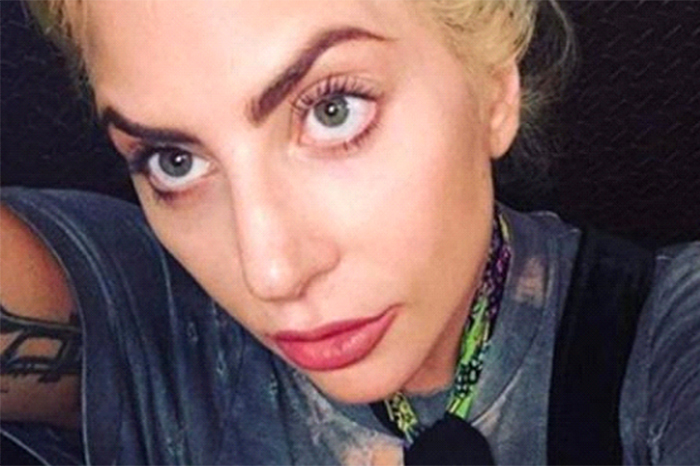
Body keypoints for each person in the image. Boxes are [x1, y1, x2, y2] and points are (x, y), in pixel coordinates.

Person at [1, 0, 698, 464]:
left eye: (333, 110)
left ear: (493, 85)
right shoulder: (158, 342)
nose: (270, 272)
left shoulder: (663, 340)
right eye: (173, 161)